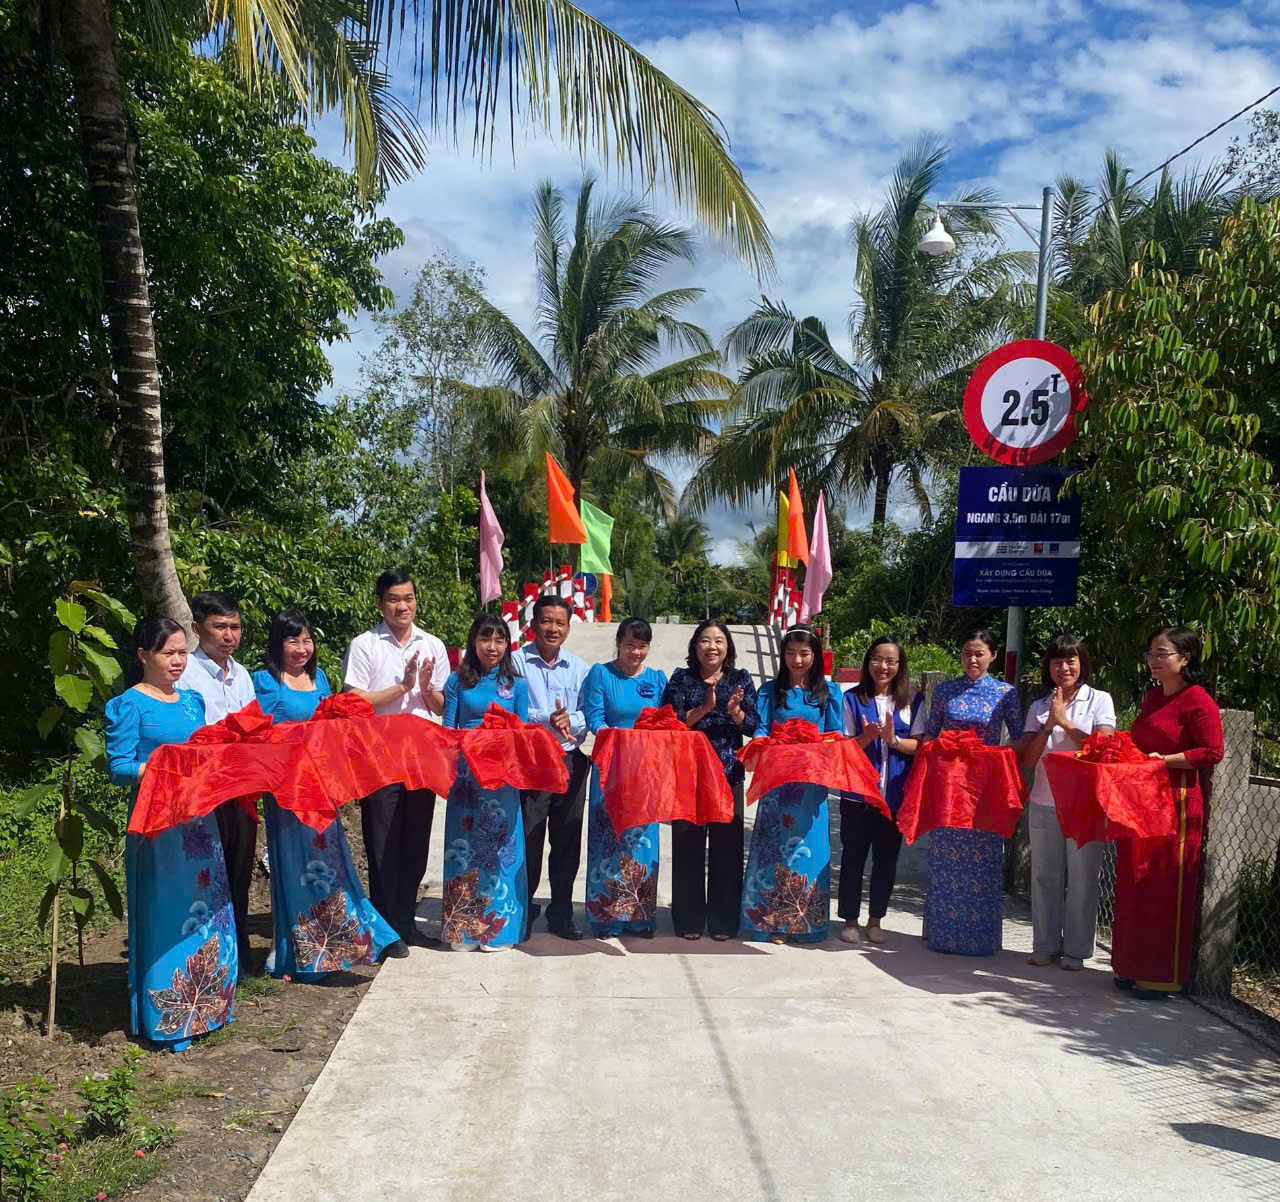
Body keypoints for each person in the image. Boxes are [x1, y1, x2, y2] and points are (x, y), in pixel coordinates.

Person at [106, 617, 237, 1051]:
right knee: (167, 918)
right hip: (158, 830)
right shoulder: (130, 705)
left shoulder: (192, 702)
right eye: (169, 653)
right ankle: (170, 1018)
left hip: (200, 825)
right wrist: (162, 768)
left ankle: (210, 1007)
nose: (178, 661)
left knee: (208, 913)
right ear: (143, 655)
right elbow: (119, 767)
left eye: (183, 652)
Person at [252, 607, 404, 975]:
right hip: (287, 791)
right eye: (293, 639)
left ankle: (353, 935)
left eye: (306, 639)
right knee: (296, 867)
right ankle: (302, 951)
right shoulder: (265, 681)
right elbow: (260, 733)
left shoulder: (319, 678)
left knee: (333, 863)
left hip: (321, 784)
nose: (302, 647)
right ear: (278, 643)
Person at [1113, 626, 1223, 998]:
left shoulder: (1198, 701)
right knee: (1133, 882)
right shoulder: (1152, 698)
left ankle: (1160, 974)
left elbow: (1212, 751)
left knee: (1163, 887)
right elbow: (1140, 740)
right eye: (1150, 654)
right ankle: (1129, 965)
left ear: (1185, 658)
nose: (1154, 661)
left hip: (1176, 802)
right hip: (1141, 800)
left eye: (1162, 654)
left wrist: (1168, 761)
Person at [342, 570, 449, 950]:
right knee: (383, 841)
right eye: (393, 599)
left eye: (408, 598)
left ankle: (407, 923)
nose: (402, 606)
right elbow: (354, 701)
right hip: (379, 756)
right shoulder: (365, 645)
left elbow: (441, 704)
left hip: (421, 757)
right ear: (380, 602)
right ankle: (385, 931)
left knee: (415, 839)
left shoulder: (432, 645)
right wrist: (401, 688)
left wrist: (423, 688)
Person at [918, 628, 1024, 956]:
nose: (972, 659)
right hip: (950, 788)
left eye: (979, 653)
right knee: (945, 859)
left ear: (992, 656)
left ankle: (980, 939)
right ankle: (942, 935)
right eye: (966, 653)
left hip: (985, 789)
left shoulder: (1006, 693)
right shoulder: (946, 691)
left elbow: (1018, 739)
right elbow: (930, 737)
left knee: (985, 861)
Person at [1019, 634, 1116, 971]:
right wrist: (1047, 726)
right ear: (1048, 666)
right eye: (1057, 661)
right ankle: (1045, 945)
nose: (1064, 667)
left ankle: (1075, 951)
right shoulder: (1038, 706)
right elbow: (1029, 760)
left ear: (1081, 664)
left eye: (1070, 660)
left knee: (1082, 879)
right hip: (1044, 802)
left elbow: (1104, 750)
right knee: (1044, 877)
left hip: (1086, 804)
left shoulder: (1099, 700)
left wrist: (1066, 723)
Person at [741, 627, 842, 944]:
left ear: (816, 656)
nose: (797, 660)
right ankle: (774, 921)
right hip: (777, 783)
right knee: (776, 851)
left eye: (804, 653)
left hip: (811, 786)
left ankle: (805, 922)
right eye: (790, 653)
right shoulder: (771, 691)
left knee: (808, 851)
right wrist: (764, 741)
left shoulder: (829, 693)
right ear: (782, 656)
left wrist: (812, 741)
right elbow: (759, 728)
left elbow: (835, 734)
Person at [661, 619, 758, 941]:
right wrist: (704, 708)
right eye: (705, 640)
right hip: (688, 774)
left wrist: (734, 712)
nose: (711, 646)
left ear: (728, 646)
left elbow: (754, 726)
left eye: (718, 640)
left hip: (727, 772)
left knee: (727, 847)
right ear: (694, 646)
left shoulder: (740, 679)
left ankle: (723, 922)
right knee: (687, 846)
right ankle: (688, 919)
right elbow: (668, 723)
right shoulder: (681, 679)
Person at [177, 591, 258, 973]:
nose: (229, 635)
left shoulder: (242, 675)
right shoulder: (185, 674)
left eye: (235, 627)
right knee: (208, 871)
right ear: (197, 628)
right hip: (204, 789)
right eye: (220, 626)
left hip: (240, 788)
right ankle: (210, 956)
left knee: (240, 868)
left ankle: (239, 951)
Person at [440, 614, 531, 950]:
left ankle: (499, 929)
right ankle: (462, 927)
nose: (492, 647)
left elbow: (521, 734)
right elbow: (449, 729)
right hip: (466, 779)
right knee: (463, 849)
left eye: (499, 640)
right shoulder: (457, 681)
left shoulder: (517, 684)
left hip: (503, 779)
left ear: (508, 644)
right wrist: (474, 740)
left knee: (499, 848)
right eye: (485, 639)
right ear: (473, 641)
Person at [581, 618, 668, 939]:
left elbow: (664, 719)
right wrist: (620, 739)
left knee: (642, 842)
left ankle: (640, 915)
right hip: (612, 768)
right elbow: (594, 717)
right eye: (630, 644)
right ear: (619, 642)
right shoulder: (601, 674)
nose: (636, 651)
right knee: (609, 842)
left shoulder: (658, 679)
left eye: (642, 646)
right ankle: (606, 917)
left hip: (646, 772)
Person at [514, 595, 590, 940]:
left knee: (567, 838)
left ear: (569, 628)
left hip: (570, 759)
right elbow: (511, 708)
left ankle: (561, 912)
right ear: (532, 625)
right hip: (531, 762)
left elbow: (590, 713)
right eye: (546, 621)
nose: (553, 629)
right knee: (529, 837)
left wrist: (569, 719)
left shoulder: (580, 668)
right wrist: (545, 718)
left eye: (560, 623)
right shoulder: (515, 662)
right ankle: (523, 909)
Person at [839, 637, 923, 945]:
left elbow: (919, 745)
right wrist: (866, 737)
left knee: (886, 860)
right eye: (877, 659)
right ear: (868, 662)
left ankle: (875, 920)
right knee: (852, 858)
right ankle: (850, 919)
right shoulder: (850, 699)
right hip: (858, 796)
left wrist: (892, 740)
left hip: (895, 797)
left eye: (890, 661)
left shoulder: (913, 700)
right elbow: (844, 747)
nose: (883, 666)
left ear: (900, 666)